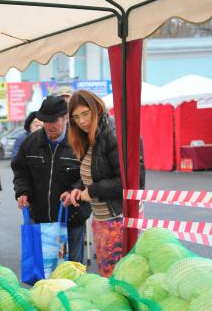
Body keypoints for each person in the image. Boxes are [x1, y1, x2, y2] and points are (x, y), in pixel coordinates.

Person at [67, 89, 145, 277]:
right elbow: (92, 172)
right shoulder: (89, 135)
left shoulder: (113, 134)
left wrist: (92, 190)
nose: (82, 121)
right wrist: (79, 188)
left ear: (97, 109)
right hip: (102, 218)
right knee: (108, 275)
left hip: (119, 218)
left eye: (85, 113)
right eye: (76, 117)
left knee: (119, 278)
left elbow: (132, 181)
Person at [12, 95, 91, 263]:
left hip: (71, 219)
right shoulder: (31, 142)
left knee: (72, 273)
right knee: (43, 275)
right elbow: (20, 171)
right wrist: (23, 192)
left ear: (66, 118)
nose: (48, 126)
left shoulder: (81, 143)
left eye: (53, 120)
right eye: (44, 121)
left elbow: (90, 175)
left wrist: (73, 192)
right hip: (40, 220)